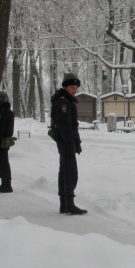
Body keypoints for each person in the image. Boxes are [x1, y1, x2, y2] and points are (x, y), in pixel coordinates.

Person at [50, 72, 87, 215]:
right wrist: (71, 143)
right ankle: (68, 204)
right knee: (70, 172)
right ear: (65, 87)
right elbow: (65, 126)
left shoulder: (65, 101)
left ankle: (65, 204)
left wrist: (76, 141)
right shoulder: (63, 102)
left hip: (66, 141)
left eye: (76, 87)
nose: (74, 90)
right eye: (72, 87)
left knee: (65, 171)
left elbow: (72, 125)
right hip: (66, 142)